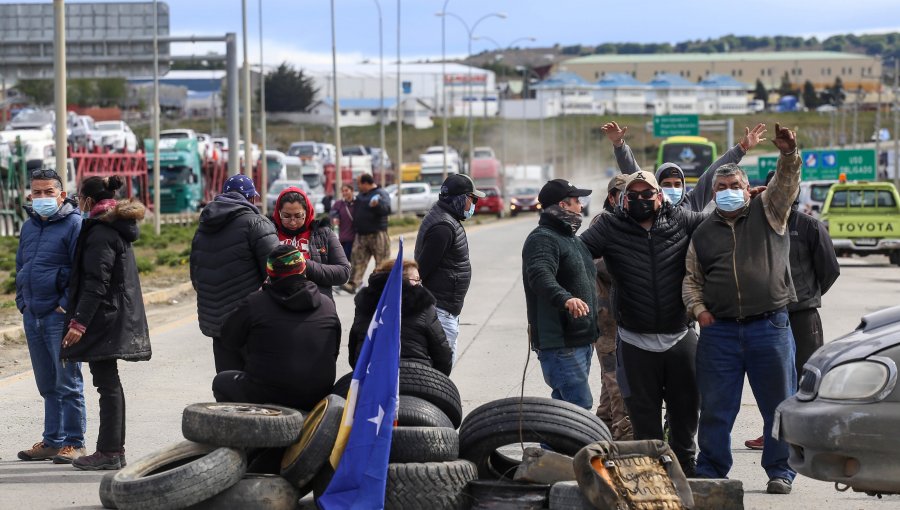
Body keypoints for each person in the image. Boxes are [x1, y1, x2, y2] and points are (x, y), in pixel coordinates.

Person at [682, 124, 801, 494]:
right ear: (713, 194)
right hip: (719, 332)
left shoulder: (770, 213)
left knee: (778, 405)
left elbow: (786, 185)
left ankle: (780, 470)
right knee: (717, 408)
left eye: (735, 186)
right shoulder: (702, 231)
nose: (729, 193)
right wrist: (699, 310)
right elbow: (691, 279)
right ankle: (712, 469)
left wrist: (787, 155)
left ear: (747, 188)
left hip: (770, 327)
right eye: (722, 188)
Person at [580, 170, 707, 476]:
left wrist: (752, 203)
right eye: (633, 195)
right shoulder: (610, 226)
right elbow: (576, 253)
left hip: (680, 335)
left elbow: (727, 227)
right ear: (622, 200)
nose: (641, 200)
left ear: (658, 196)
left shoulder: (684, 220)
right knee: (643, 415)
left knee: (686, 411)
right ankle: (652, 473)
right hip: (634, 340)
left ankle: (685, 467)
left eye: (647, 194)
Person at [742, 170, 841, 451]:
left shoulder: (810, 226)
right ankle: (773, 433)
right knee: (771, 378)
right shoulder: (754, 225)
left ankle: (806, 435)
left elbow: (829, 270)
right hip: (766, 315)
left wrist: (806, 296)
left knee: (805, 375)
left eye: (788, 186)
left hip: (802, 316)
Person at [60, 176, 151, 471]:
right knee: (109, 384)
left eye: (79, 196)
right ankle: (113, 451)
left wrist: (79, 323)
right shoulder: (114, 227)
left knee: (107, 385)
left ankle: (110, 451)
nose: (78, 201)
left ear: (88, 200)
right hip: (112, 315)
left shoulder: (101, 232)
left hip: (104, 318)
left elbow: (96, 282)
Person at [212, 246, 341, 411]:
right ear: (304, 269)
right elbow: (333, 351)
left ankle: (242, 427)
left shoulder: (255, 302)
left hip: (266, 394)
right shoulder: (327, 303)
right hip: (317, 394)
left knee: (222, 381)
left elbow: (228, 339)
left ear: (270, 273)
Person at [15, 169, 87, 464]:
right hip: (33, 313)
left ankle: (74, 442)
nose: (42, 197)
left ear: (61, 193)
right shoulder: (28, 227)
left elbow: (80, 271)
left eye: (49, 192)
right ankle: (51, 440)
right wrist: (22, 302)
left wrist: (64, 305)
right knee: (47, 383)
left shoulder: (74, 224)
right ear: (29, 196)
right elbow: (21, 265)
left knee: (68, 382)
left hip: (59, 316)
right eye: (37, 192)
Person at [190, 174, 279, 373]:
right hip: (251, 321)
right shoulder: (257, 224)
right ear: (251, 198)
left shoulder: (203, 227)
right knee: (256, 385)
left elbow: (196, 276)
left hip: (217, 322)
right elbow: (278, 271)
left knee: (227, 383)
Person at [522, 179, 598, 410]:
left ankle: (551, 447)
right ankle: (563, 447)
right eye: (577, 202)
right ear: (563, 206)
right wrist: (566, 298)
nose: (580, 207)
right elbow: (540, 276)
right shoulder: (543, 239)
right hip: (560, 342)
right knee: (578, 406)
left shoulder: (571, 240)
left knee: (565, 409)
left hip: (580, 340)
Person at [602, 121, 768, 211]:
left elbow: (712, 172)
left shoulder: (692, 203)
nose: (672, 189)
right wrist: (619, 145)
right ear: (656, 188)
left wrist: (741, 149)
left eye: (677, 184)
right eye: (666, 184)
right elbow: (633, 172)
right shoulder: (650, 208)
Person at [414, 174, 484, 363]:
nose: (474, 204)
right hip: (440, 309)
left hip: (444, 307)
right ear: (461, 199)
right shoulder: (443, 227)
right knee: (440, 372)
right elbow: (423, 268)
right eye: (473, 199)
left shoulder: (446, 219)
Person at [349, 259, 452, 375]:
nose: (420, 284)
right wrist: (436, 381)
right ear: (403, 280)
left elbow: (353, 351)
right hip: (417, 376)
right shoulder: (424, 305)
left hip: (372, 376)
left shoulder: (365, 303)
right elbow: (443, 354)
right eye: (416, 280)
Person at [592, 175, 632, 441]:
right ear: (612, 197)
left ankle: (602, 425)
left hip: (625, 316)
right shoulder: (603, 225)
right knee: (616, 379)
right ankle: (622, 434)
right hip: (606, 319)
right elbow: (601, 265)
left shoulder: (630, 225)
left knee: (612, 381)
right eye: (624, 194)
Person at [271, 185, 350, 300]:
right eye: (286, 216)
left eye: (299, 216)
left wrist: (304, 265)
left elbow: (343, 272)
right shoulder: (269, 233)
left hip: (317, 305)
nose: (293, 222)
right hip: (278, 304)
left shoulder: (323, 234)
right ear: (278, 213)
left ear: (307, 212)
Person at [344, 173, 391, 293]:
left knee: (382, 261)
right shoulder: (360, 196)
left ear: (366, 183)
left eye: (359, 183)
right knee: (357, 259)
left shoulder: (381, 193)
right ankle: (353, 283)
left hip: (377, 234)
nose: (357, 186)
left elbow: (387, 209)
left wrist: (377, 205)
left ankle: (381, 285)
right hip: (361, 235)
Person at [330, 184, 356, 261]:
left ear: (352, 191)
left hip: (356, 239)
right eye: (343, 191)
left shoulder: (358, 203)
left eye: (346, 190)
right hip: (344, 237)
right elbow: (333, 214)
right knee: (344, 260)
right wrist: (334, 219)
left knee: (354, 261)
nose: (344, 193)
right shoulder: (339, 204)